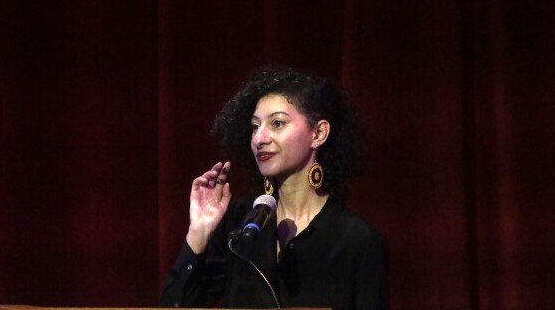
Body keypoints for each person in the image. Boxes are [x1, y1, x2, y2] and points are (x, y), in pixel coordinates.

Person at [160, 64, 388, 310]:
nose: (259, 139)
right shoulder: (239, 225)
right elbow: (176, 306)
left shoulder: (357, 240)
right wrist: (199, 233)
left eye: (277, 123)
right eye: (255, 127)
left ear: (318, 133)